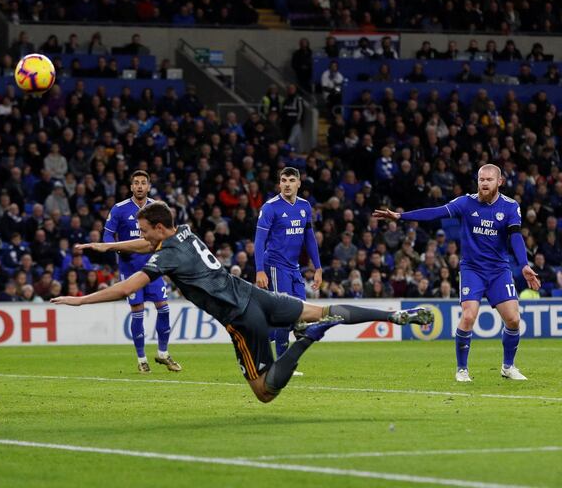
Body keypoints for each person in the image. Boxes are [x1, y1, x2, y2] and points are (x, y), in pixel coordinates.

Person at [59, 201, 432, 403]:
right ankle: (396, 315)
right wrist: (109, 245)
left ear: (159, 228)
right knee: (325, 309)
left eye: (143, 230)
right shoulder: (185, 232)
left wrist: (81, 300)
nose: (140, 236)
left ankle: (307, 338)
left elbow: (126, 288)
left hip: (240, 317)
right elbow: (147, 244)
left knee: (264, 391)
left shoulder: (165, 256)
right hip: (253, 293)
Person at [374, 164, 540, 382]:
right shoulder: (465, 202)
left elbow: (515, 236)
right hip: (472, 269)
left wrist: (524, 264)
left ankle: (508, 367)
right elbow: (436, 212)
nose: (484, 183)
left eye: (489, 179)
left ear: (499, 182)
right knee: (469, 315)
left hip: (499, 270)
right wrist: (400, 216)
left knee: (513, 320)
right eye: (481, 179)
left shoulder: (510, 207)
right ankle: (462, 369)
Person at [103, 170, 181, 373]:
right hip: (130, 270)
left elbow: (170, 233)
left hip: (153, 267)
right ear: (131, 187)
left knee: (164, 308)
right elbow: (107, 236)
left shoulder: (158, 208)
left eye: (143, 183)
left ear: (148, 186)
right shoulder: (119, 209)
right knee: (137, 312)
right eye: (136, 183)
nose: (139, 186)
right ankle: (141, 359)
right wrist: (118, 249)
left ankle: (163, 353)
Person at [254, 168, 324, 373]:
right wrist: (260, 270)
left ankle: (259, 336)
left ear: (299, 184)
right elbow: (259, 241)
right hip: (275, 265)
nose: (286, 184)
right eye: (283, 180)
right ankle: (282, 364)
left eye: (291, 180)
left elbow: (309, 238)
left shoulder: (304, 206)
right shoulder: (270, 207)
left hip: (294, 268)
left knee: (300, 315)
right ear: (279, 183)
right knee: (286, 315)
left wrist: (318, 268)